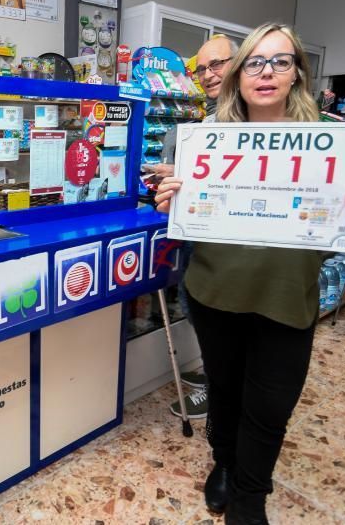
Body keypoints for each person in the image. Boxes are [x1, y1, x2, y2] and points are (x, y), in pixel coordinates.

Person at [154, 23, 345, 525]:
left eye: (280, 61)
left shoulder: (333, 142)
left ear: (297, 72)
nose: (266, 72)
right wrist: (172, 201)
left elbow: (343, 236)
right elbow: (185, 218)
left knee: (271, 405)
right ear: (239, 75)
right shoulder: (203, 139)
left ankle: (250, 496)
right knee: (226, 389)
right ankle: (225, 462)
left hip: (287, 297)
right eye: (255, 62)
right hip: (216, 291)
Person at [147, 35, 238, 421]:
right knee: (195, 307)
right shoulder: (207, 122)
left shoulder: (250, 121)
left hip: (229, 251)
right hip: (196, 239)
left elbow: (240, 184)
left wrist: (184, 175)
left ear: (241, 62)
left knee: (224, 322)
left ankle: (222, 393)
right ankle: (214, 375)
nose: (208, 75)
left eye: (217, 64)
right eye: (201, 68)